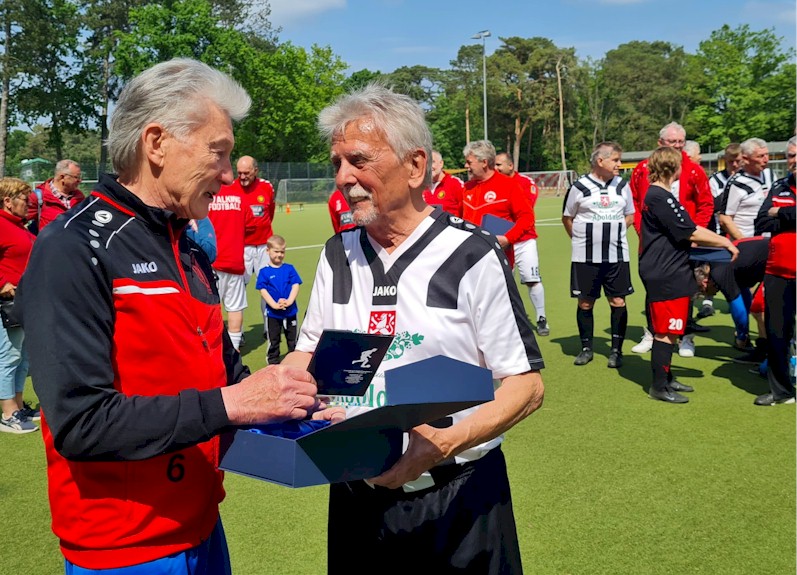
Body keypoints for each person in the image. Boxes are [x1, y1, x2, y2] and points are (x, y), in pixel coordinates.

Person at [16, 58, 326, 574]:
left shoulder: (188, 247)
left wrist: (293, 405)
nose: (229, 175)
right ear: (155, 143)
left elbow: (228, 377)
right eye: (218, 153)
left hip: (203, 525)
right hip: (125, 549)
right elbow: (81, 423)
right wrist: (233, 403)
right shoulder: (73, 246)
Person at [282, 84, 545, 574]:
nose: (343, 178)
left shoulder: (472, 254)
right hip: (355, 496)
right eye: (337, 163)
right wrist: (289, 386)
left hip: (458, 496)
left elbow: (526, 385)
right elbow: (310, 352)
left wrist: (445, 442)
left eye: (359, 160)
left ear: (415, 166)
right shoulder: (336, 255)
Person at [638, 147, 738, 403]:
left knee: (672, 329)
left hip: (672, 268)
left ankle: (667, 377)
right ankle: (659, 386)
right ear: (674, 168)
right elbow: (690, 231)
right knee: (665, 331)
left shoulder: (661, 194)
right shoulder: (660, 196)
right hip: (664, 271)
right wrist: (725, 242)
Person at [629, 122, 714, 357]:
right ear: (660, 143)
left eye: (680, 142)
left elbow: (706, 204)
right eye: (672, 142)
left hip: (685, 243)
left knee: (685, 289)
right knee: (652, 288)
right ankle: (651, 332)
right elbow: (635, 203)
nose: (677, 146)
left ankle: (685, 335)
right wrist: (641, 231)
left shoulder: (694, 170)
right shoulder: (642, 169)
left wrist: (696, 234)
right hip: (653, 244)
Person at [461, 140, 548, 336]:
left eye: (469, 162)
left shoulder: (509, 185)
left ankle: (526, 326)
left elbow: (527, 218)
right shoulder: (466, 188)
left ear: (484, 162)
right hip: (471, 256)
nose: (466, 166)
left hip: (499, 255)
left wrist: (507, 238)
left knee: (501, 298)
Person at [562, 142, 634, 368]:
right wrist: (581, 239)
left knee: (618, 300)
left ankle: (616, 350)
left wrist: (616, 233)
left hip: (617, 256)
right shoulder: (579, 187)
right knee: (585, 303)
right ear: (600, 161)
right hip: (585, 257)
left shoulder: (623, 186)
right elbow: (567, 217)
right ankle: (586, 348)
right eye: (615, 160)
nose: (619, 165)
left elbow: (630, 215)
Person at [752, 135, 796, 406]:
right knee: (777, 332)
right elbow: (760, 222)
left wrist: (781, 214)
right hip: (778, 272)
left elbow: (773, 217)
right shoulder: (779, 187)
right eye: (791, 156)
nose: (794, 161)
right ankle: (782, 391)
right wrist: (777, 213)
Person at [495, 152, 549, 336]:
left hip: (524, 240)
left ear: (511, 166)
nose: (496, 168)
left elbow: (523, 211)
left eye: (499, 164)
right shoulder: (494, 183)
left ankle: (541, 318)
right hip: (502, 241)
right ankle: (507, 321)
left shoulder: (525, 183)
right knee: (502, 283)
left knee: (532, 280)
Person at [0, 178, 38, 433]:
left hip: (25, 300)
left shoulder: (20, 226)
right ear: (7, 201)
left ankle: (18, 404)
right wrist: (2, 282)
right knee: (9, 355)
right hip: (7, 302)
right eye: (24, 199)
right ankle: (8, 413)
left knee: (23, 357)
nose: (29, 204)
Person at [693, 237, 769, 361]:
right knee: (759, 308)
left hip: (780, 258)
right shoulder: (717, 264)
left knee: (760, 310)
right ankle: (765, 351)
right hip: (776, 253)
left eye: (703, 292)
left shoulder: (719, 274)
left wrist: (742, 337)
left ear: (705, 283)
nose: (708, 295)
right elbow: (744, 296)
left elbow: (738, 307)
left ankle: (765, 354)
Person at [208, 173, 250, 351]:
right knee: (235, 307)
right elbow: (249, 224)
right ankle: (234, 348)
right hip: (235, 261)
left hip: (212, 261)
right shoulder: (240, 196)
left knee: (211, 307)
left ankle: (213, 347)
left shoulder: (209, 195)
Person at [701, 143, 742, 318]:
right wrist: (731, 190)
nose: (735, 165)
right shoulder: (715, 180)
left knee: (739, 268)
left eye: (738, 161)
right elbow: (713, 205)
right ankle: (707, 302)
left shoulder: (749, 178)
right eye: (731, 161)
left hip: (741, 230)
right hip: (718, 231)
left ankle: (737, 299)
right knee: (713, 268)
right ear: (725, 161)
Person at [256, 234, 302, 365]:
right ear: (268, 251)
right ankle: (273, 362)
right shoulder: (264, 272)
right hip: (273, 313)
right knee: (274, 339)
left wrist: (290, 301)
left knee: (292, 339)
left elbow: (295, 285)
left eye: (282, 252)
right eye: (276, 251)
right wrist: (274, 305)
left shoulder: (289, 268)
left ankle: (294, 360)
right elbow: (262, 290)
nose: (279, 255)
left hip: (290, 312)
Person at [719, 138, 773, 240]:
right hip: (748, 240)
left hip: (770, 240)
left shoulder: (770, 175)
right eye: (760, 156)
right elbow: (725, 219)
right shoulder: (736, 183)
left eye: (767, 154)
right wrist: (745, 242)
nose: (766, 159)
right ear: (746, 159)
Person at [235, 156, 276, 283]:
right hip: (241, 246)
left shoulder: (267, 187)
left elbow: (270, 213)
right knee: (239, 286)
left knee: (268, 285)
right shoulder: (230, 188)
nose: (242, 177)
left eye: (246, 173)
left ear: (255, 171)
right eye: (239, 173)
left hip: (264, 245)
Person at [26, 159, 83, 234]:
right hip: (48, 245)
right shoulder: (38, 197)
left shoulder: (80, 197)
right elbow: (17, 221)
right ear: (62, 177)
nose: (80, 180)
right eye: (76, 177)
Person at [422, 149, 464, 216]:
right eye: (426, 163)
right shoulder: (421, 187)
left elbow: (466, 212)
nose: (429, 166)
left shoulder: (455, 183)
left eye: (432, 162)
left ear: (441, 163)